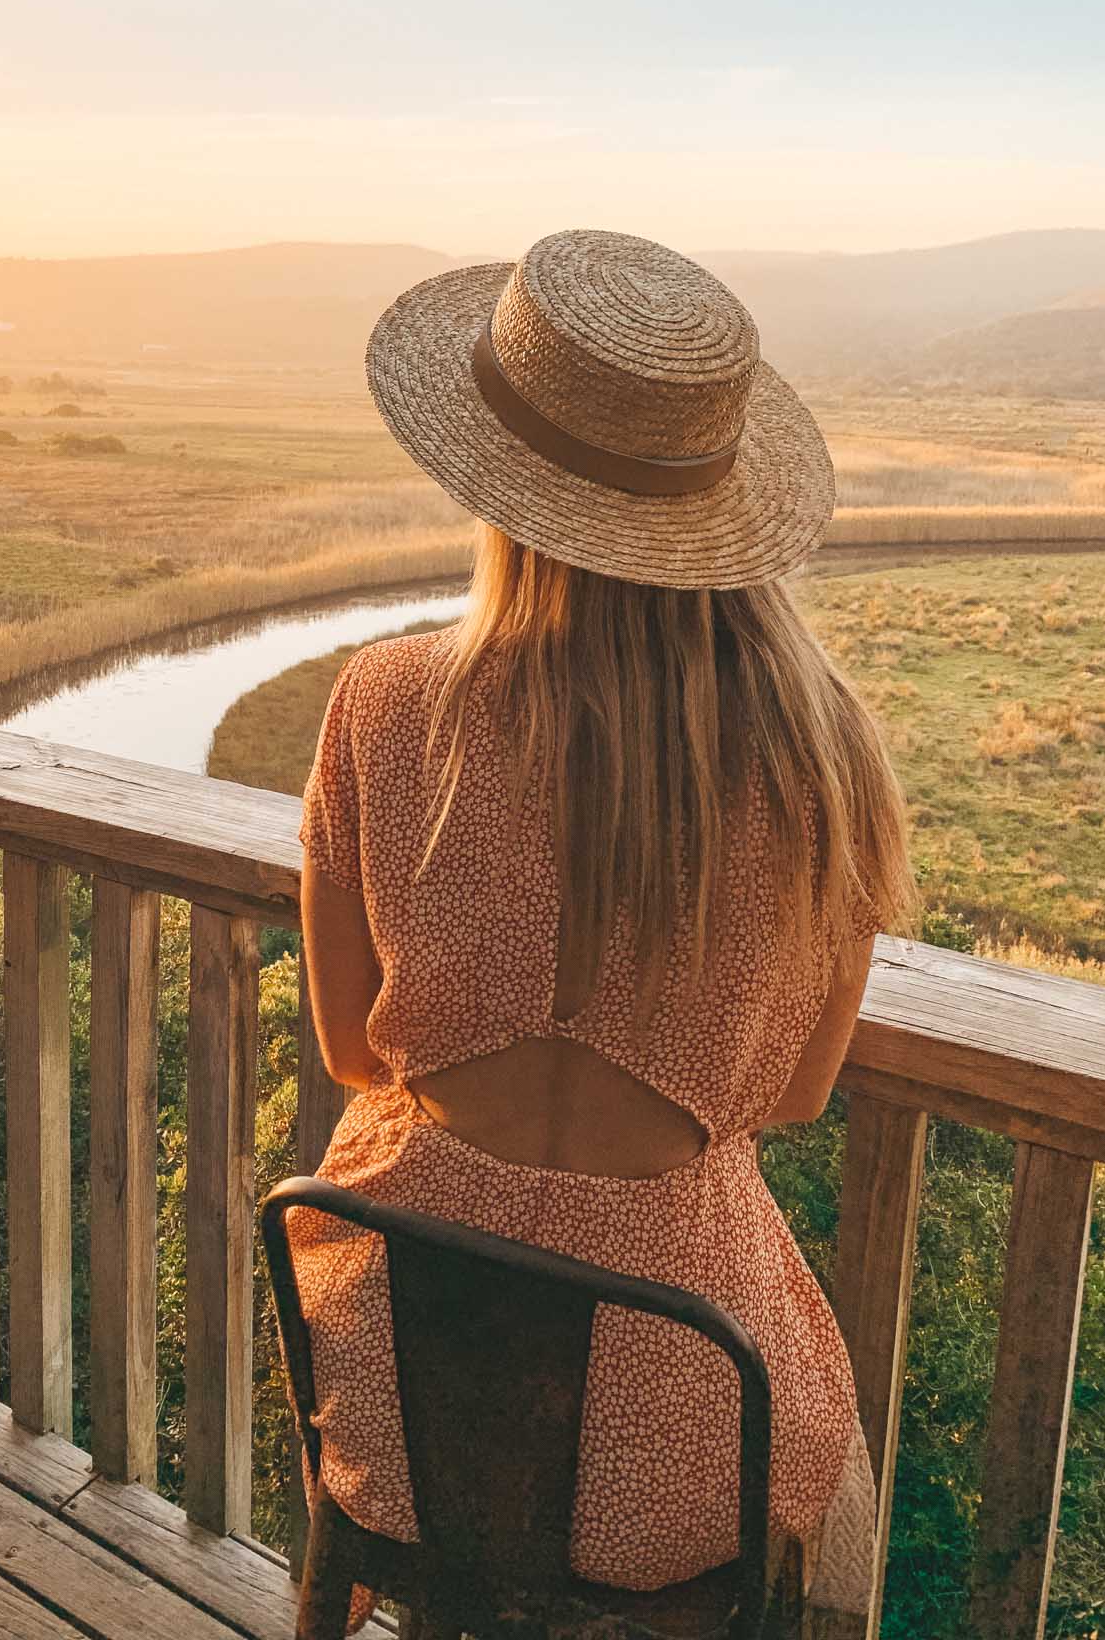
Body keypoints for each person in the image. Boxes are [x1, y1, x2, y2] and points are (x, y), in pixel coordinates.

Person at [287, 231, 914, 1636]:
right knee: (821, 1448)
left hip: (400, 1397)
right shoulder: (825, 768)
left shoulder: (385, 707)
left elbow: (346, 1045)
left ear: (498, 494)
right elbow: (799, 1094)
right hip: (677, 1437)